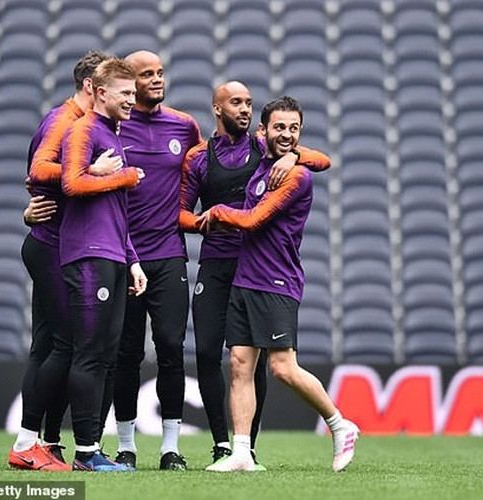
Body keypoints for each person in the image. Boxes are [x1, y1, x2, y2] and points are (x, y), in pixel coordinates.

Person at [193, 95, 358, 472]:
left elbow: (253, 219)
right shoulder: (265, 165)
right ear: (262, 131)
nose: (287, 134)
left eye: (294, 129)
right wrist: (292, 154)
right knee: (240, 364)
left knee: (282, 368)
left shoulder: (296, 176)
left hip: (276, 279)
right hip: (246, 277)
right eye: (280, 127)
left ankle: (340, 425)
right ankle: (241, 453)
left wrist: (217, 211)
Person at [8, 50, 121, 472]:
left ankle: (41, 442)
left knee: (49, 345)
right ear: (93, 86)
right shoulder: (65, 119)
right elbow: (39, 171)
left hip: (53, 241)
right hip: (53, 244)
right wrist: (91, 169)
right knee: (66, 345)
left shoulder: (84, 122)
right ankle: (27, 442)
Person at [111, 50, 202, 471]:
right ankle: (126, 447)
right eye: (147, 74)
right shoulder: (112, 125)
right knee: (126, 353)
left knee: (170, 348)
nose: (157, 79)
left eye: (160, 72)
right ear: (129, 82)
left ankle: (170, 449)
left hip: (168, 256)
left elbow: (210, 167)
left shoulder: (184, 126)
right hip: (123, 254)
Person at [60, 57, 147, 472]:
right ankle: (85, 452)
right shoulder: (83, 129)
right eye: (125, 93)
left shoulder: (112, 133)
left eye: (133, 93)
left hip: (112, 253)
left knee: (107, 356)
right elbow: (71, 182)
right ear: (99, 92)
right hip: (87, 254)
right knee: (90, 353)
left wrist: (132, 259)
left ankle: (93, 448)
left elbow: (115, 211)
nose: (132, 99)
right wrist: (124, 177)